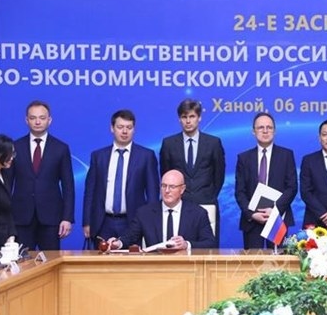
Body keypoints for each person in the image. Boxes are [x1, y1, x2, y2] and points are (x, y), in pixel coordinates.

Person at [82, 109, 160, 246]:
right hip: (103, 222)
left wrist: (150, 223)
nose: (124, 131)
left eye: (129, 128)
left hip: (133, 222)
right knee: (101, 266)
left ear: (134, 129)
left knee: (131, 266)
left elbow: (152, 193)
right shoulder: (98, 156)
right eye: (120, 127)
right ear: (112, 128)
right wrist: (87, 221)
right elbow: (90, 192)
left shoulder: (146, 156)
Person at [9, 101, 75, 250]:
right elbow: (7, 184)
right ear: (26, 120)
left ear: (49, 120)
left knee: (51, 264)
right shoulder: (15, 147)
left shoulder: (61, 148)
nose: (37, 121)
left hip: (51, 218)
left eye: (42, 117)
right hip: (21, 217)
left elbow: (68, 186)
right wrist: (5, 218)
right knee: (23, 264)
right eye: (33, 118)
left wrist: (67, 218)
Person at [159, 99, 225, 242]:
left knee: (208, 250)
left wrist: (208, 195)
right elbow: (166, 174)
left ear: (199, 118)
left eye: (192, 116)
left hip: (206, 202)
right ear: (179, 119)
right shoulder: (169, 144)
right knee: (177, 248)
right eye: (184, 117)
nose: (188, 121)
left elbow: (219, 175)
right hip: (179, 204)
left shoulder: (213, 143)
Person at [108, 170, 216, 250]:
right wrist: (118, 243)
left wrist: (186, 245)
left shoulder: (198, 213)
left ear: (182, 189)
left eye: (172, 187)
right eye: (164, 186)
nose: (167, 191)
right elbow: (130, 237)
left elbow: (210, 243)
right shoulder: (145, 213)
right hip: (155, 268)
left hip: (187, 267)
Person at [235, 112, 297, 249]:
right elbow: (240, 191)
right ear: (253, 131)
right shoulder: (244, 158)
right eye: (260, 127)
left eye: (269, 127)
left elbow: (292, 187)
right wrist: (251, 214)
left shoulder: (286, 155)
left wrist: (275, 210)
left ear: (274, 131)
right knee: (252, 265)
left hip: (278, 218)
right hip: (252, 221)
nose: (265, 131)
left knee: (279, 266)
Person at [0, 134, 18, 252]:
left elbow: (7, 210)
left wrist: (11, 236)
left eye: (13, 154)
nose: (12, 158)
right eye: (9, 154)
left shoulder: (5, 175)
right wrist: (3, 238)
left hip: (6, 241)